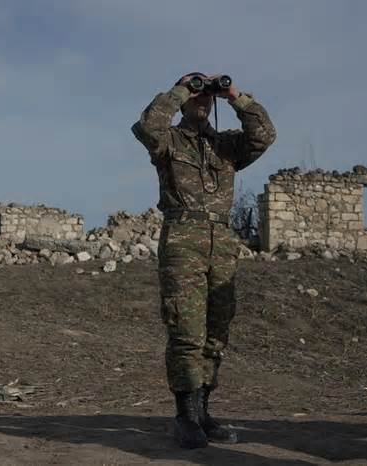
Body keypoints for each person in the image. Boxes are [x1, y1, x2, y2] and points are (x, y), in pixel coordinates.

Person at [131, 72, 276, 449]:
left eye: (204, 95)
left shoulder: (226, 146)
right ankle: (186, 417)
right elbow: (147, 126)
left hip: (222, 244)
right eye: (196, 94)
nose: (201, 99)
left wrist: (234, 96)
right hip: (182, 241)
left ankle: (204, 412)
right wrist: (181, 89)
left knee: (216, 333)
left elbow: (264, 135)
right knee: (186, 330)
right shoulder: (169, 140)